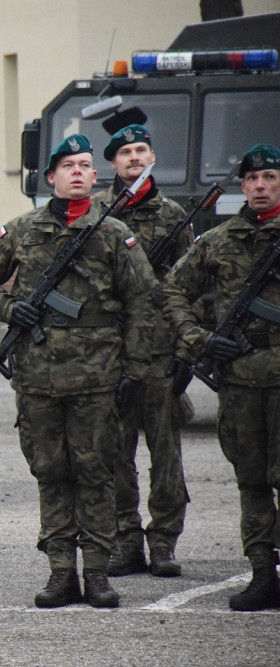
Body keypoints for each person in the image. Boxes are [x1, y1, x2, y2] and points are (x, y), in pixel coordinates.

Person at [0, 134, 155, 609]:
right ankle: (59, 573)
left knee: (96, 474)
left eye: (85, 165)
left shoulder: (113, 233)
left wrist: (134, 370)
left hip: (98, 377)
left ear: (96, 177)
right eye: (67, 165)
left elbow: (142, 304)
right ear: (50, 177)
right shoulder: (23, 229)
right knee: (51, 473)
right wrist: (10, 309)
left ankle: (96, 573)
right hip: (38, 377)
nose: (77, 171)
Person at [163, 143, 280, 612]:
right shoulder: (218, 240)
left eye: (269, 177)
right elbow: (173, 291)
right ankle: (260, 574)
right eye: (251, 180)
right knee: (251, 481)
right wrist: (200, 339)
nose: (260, 187)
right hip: (241, 382)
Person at [91, 124, 194, 578]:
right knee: (114, 453)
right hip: (110, 353)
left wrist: (188, 350)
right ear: (112, 163)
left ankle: (165, 542)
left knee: (165, 454)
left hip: (159, 353)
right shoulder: (96, 213)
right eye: (125, 152)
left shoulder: (173, 216)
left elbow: (192, 288)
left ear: (152, 157)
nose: (135, 158)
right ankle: (125, 541)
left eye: (141, 150)